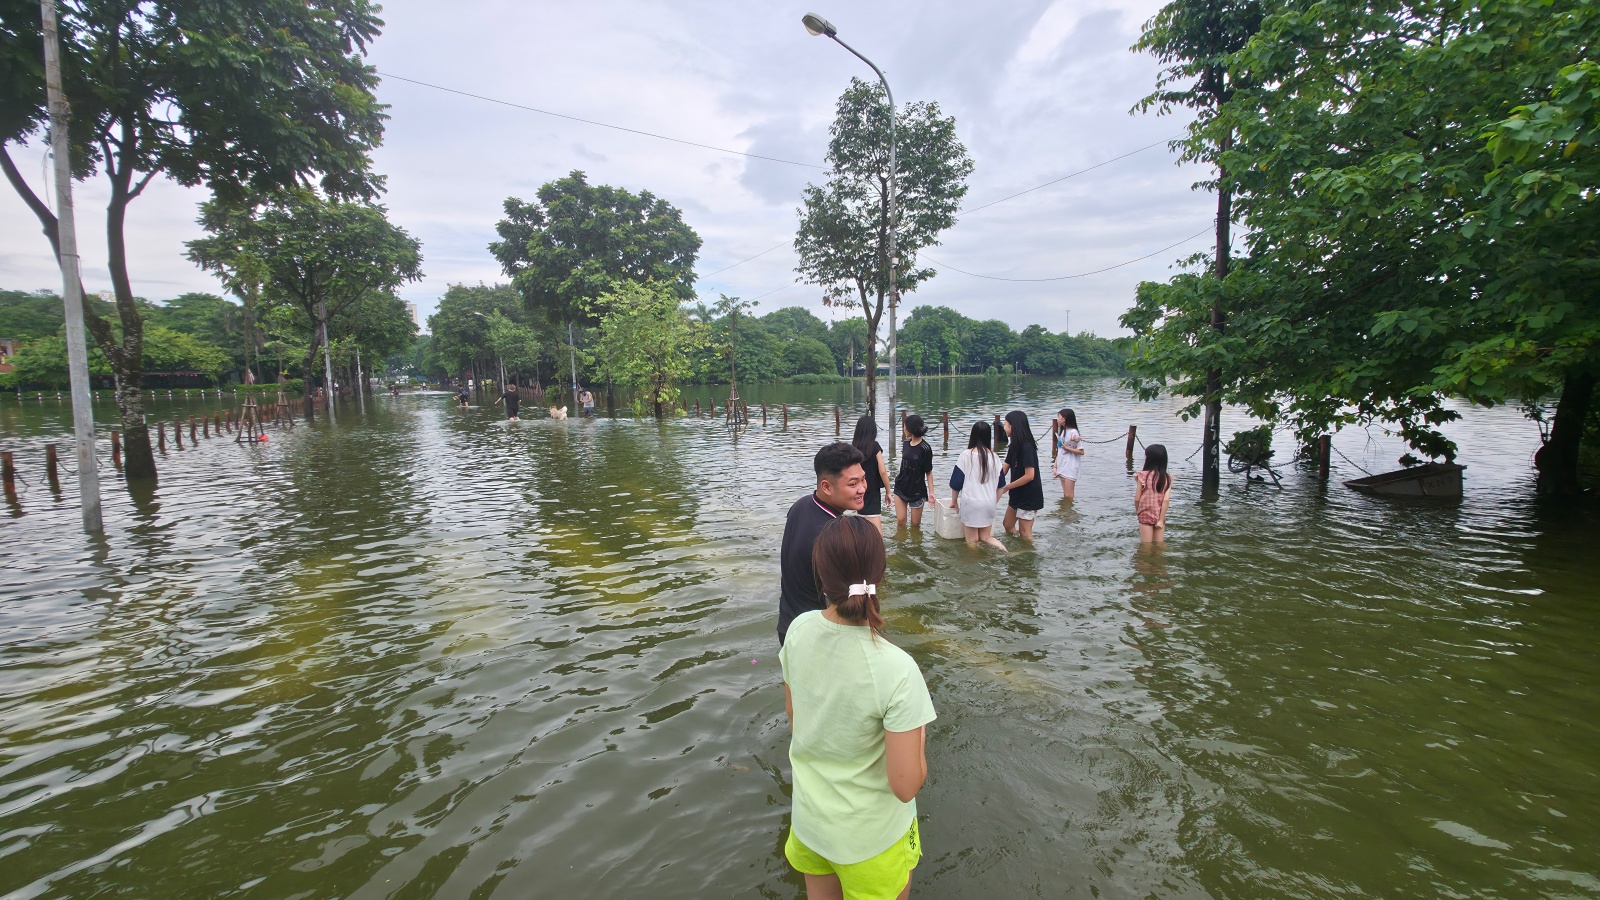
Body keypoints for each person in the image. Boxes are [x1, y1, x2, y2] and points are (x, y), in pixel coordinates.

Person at [781, 516, 935, 900]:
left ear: (821, 573)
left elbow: (796, 723)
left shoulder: (798, 630)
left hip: (810, 826)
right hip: (871, 842)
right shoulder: (897, 669)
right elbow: (905, 786)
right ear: (880, 574)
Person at [778, 442, 868, 646]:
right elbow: (842, 603)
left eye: (863, 479)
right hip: (816, 637)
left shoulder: (800, 505)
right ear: (826, 486)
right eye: (853, 484)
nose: (862, 489)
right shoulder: (833, 535)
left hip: (788, 627)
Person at [948, 421, 1005, 550]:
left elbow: (956, 484)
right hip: (988, 504)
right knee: (986, 538)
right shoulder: (995, 457)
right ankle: (1005, 551)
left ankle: (976, 565)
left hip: (971, 505)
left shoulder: (965, 455)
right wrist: (993, 501)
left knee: (972, 541)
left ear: (972, 435)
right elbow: (1002, 486)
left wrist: (954, 502)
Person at [998, 410, 1044, 539]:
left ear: (1013, 426)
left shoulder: (1027, 447)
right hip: (1017, 493)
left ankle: (1028, 554)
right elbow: (1005, 467)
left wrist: (1007, 487)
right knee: (1007, 524)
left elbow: (1029, 475)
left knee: (1025, 532)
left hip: (1028, 496)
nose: (1004, 427)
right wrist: (993, 480)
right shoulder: (1014, 446)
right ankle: (1017, 549)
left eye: (1005, 424)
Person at [891, 415, 935, 530]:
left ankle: (915, 546)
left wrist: (931, 493)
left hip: (917, 491)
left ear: (910, 428)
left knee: (915, 525)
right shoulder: (906, 443)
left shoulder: (925, 448)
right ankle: (901, 546)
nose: (903, 429)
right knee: (901, 521)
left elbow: (929, 472)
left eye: (904, 426)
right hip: (901, 486)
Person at [852, 415, 891, 534]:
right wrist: (888, 492)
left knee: (863, 523)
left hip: (858, 490)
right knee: (876, 528)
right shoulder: (874, 446)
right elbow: (883, 471)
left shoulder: (854, 447)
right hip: (872, 490)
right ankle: (879, 551)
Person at [1135, 444, 1174, 543]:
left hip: (1145, 514)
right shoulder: (1168, 478)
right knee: (1159, 545)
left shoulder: (1142, 475)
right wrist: (1161, 520)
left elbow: (1137, 499)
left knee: (1146, 547)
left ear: (1150, 458)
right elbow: (1166, 500)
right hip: (1159, 515)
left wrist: (1138, 512)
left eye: (1146, 455)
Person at [1053, 408, 1084, 499]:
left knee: (1069, 496)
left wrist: (1067, 448)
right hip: (1062, 465)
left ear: (1064, 419)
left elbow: (1081, 451)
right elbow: (1059, 451)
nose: (1057, 419)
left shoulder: (1073, 432)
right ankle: (1065, 512)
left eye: (1058, 417)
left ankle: (1068, 512)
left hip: (1070, 466)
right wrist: (1055, 466)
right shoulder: (1063, 432)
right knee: (1066, 495)